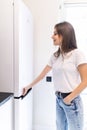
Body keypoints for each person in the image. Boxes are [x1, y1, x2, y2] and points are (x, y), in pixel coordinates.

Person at [22, 21, 87, 130]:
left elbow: (85, 81)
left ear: (64, 35)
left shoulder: (77, 54)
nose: (52, 36)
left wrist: (69, 98)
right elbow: (42, 75)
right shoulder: (55, 56)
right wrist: (28, 86)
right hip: (59, 99)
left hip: (72, 101)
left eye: (55, 33)